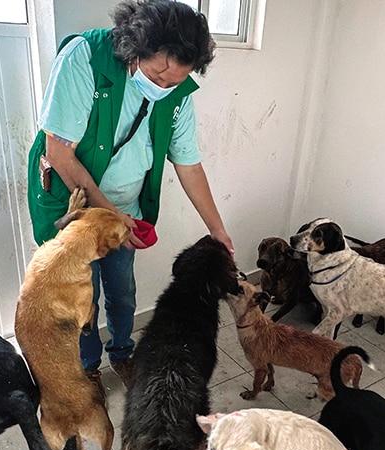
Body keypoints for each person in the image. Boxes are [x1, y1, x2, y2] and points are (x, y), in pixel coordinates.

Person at [26, 0, 233, 394]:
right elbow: (59, 154)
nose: (164, 88)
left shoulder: (178, 95)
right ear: (134, 49)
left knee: (123, 293)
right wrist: (112, 218)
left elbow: (189, 165)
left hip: (126, 211)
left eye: (174, 83)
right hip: (74, 211)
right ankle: (88, 366)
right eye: (157, 76)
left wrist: (217, 229)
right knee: (82, 298)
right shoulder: (84, 59)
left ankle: (122, 353)